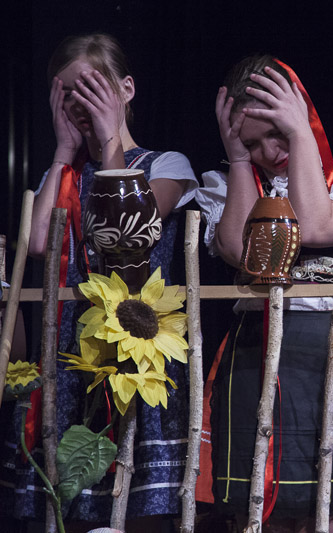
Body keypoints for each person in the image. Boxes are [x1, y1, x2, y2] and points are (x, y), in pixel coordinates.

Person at [194, 55, 333, 532]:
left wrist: (302, 134)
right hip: (253, 349)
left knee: (332, 498)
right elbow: (238, 248)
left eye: (278, 133)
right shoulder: (231, 186)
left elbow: (316, 225)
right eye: (252, 142)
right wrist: (239, 161)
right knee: (256, 500)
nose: (269, 151)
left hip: (324, 347)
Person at [0, 33, 198, 530]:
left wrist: (111, 139)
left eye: (92, 88)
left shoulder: (166, 165)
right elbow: (38, 243)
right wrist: (64, 150)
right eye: (68, 93)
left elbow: (123, 232)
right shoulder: (66, 175)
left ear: (126, 89)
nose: (81, 102)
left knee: (134, 504)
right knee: (66, 505)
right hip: (69, 356)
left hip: (135, 358)